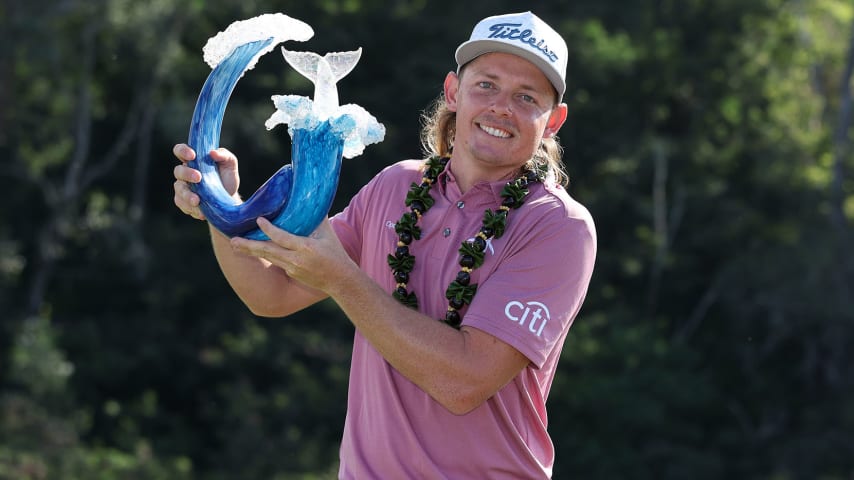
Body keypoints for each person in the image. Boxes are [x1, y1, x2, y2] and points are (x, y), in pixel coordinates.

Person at [173, 11, 596, 479]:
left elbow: (464, 380)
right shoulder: (394, 186)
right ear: (454, 92)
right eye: (486, 85)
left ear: (553, 120)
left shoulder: (559, 227)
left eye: (526, 97)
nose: (501, 107)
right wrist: (221, 206)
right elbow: (270, 294)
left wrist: (344, 281)